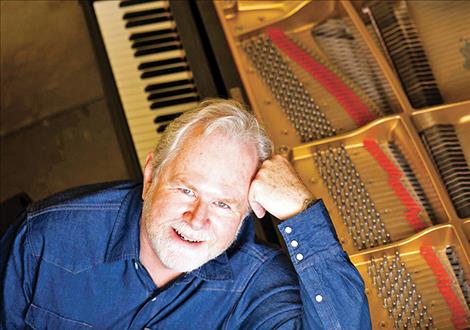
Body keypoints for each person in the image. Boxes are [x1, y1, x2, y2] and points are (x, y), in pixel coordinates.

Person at [1, 99, 371, 329]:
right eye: (186, 190)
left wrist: (300, 214)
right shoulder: (48, 236)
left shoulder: (258, 287)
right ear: (150, 178)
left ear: (247, 213)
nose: (196, 219)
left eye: (223, 204)